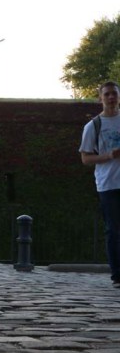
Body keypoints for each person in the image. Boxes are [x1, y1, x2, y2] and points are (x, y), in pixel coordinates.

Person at [80, 81, 120, 288]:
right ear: (101, 98)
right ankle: (117, 275)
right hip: (108, 184)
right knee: (113, 230)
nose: (111, 98)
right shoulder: (93, 126)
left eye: (114, 94)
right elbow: (86, 158)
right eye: (107, 94)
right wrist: (109, 155)